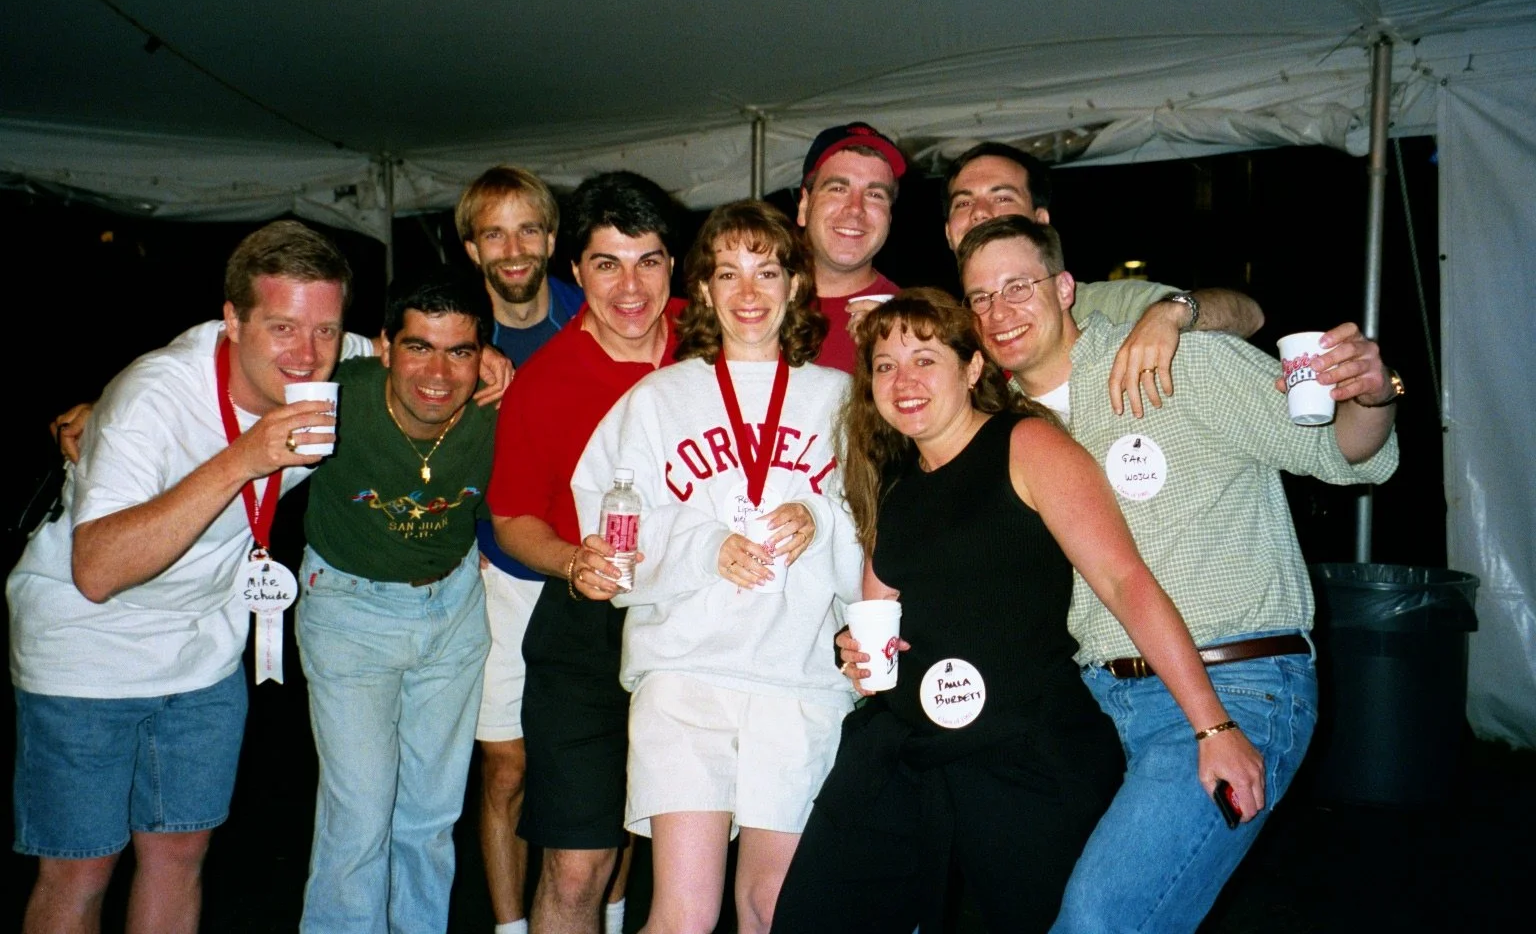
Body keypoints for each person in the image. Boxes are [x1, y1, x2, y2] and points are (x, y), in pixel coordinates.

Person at [953, 215, 1400, 932]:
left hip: (1237, 686)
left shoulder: (1179, 364)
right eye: (980, 298)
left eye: (1018, 287)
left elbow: (1343, 453)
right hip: (1090, 709)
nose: (999, 312)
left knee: (1102, 919)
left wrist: (1372, 395)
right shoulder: (997, 429)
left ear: (1066, 288)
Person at [771, 288, 1263, 933]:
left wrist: (1212, 727)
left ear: (973, 368)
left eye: (924, 358)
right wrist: (855, 652)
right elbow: (879, 618)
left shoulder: (1026, 444)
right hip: (906, 746)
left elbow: (1124, 581)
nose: (903, 380)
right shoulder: (893, 483)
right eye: (885, 366)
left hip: (1022, 749)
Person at [7, 221, 354, 934]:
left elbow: (414, 353)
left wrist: (490, 366)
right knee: (80, 865)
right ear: (232, 320)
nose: (308, 353)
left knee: (179, 851)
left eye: (326, 331)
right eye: (283, 327)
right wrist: (243, 459)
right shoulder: (151, 400)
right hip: (87, 650)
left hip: (201, 649)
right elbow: (95, 570)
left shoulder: (324, 360)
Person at [572, 201, 863, 934]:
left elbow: (881, 535)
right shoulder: (658, 400)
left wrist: (821, 518)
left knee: (772, 911)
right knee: (683, 915)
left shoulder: (843, 401)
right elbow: (610, 532)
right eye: (727, 273)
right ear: (700, 290)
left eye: (767, 271)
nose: (748, 292)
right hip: (684, 676)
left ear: (796, 284)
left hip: (798, 680)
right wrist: (703, 546)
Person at [488, 171, 684, 934]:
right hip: (584, 629)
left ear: (675, 264)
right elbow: (510, 519)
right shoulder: (544, 383)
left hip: (693, 624)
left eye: (648, 261)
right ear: (576, 270)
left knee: (680, 857)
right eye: (607, 263)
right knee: (575, 864)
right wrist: (572, 559)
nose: (630, 287)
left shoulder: (715, 349)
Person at [294, 273, 497, 933]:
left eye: (460, 351)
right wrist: (107, 409)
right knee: (359, 815)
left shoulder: (497, 401)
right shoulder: (340, 392)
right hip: (350, 614)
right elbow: (226, 385)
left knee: (431, 817)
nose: (438, 373)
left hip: (456, 610)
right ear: (384, 346)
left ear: (483, 355)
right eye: (419, 348)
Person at [456, 165, 586, 934]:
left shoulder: (596, 314)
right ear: (471, 248)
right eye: (495, 232)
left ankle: (606, 911)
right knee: (508, 767)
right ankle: (510, 926)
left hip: (592, 567)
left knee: (605, 769)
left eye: (529, 229)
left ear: (552, 238)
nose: (514, 248)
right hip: (498, 571)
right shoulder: (453, 335)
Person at [943, 140, 1267, 416]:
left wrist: (1171, 312)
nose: (981, 212)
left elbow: (1248, 316)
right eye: (964, 201)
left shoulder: (1106, 308)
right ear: (948, 233)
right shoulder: (943, 337)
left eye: (1002, 197)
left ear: (1041, 221)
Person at [794, 121, 907, 373]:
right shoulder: (752, 306)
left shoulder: (915, 324)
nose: (856, 208)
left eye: (875, 194)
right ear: (804, 205)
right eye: (838, 188)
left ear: (889, 217)